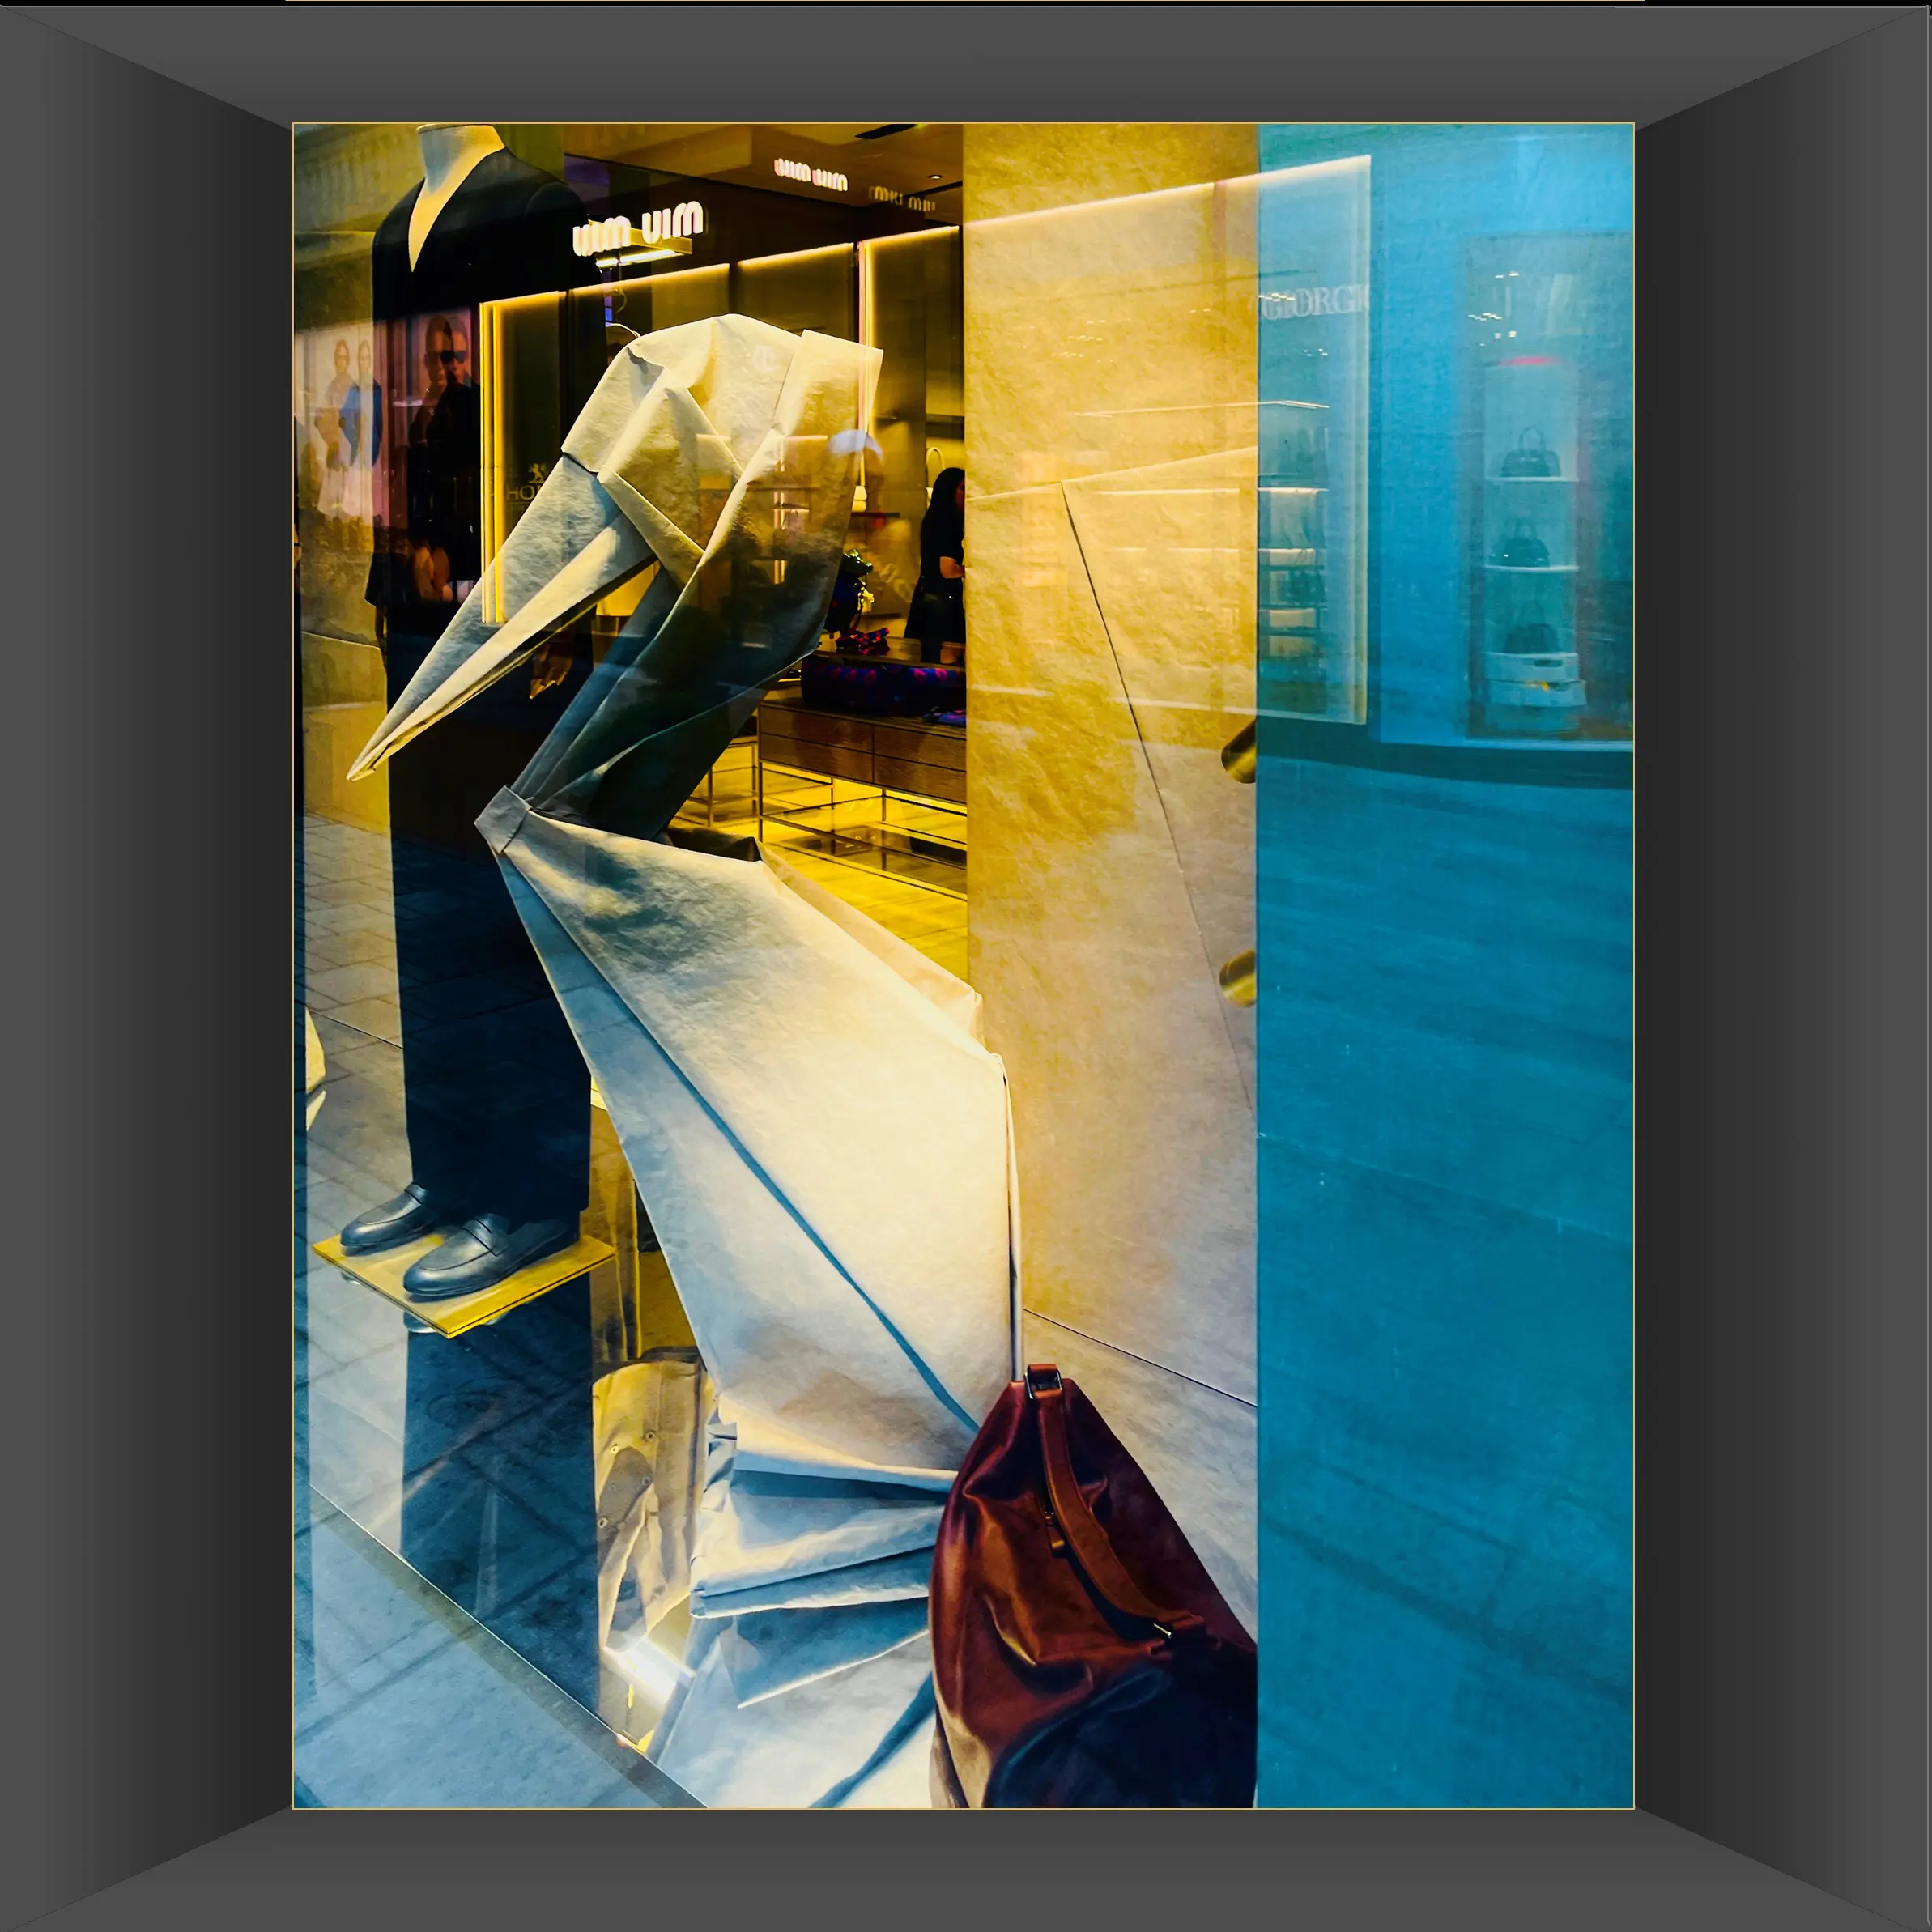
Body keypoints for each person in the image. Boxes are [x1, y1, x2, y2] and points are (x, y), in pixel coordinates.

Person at [909, 466, 965, 666]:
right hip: (942, 602)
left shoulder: (933, 518)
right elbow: (948, 570)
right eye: (963, 488)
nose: (968, 495)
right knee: (947, 660)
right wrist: (971, 570)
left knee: (931, 660)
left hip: (928, 595)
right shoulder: (948, 523)